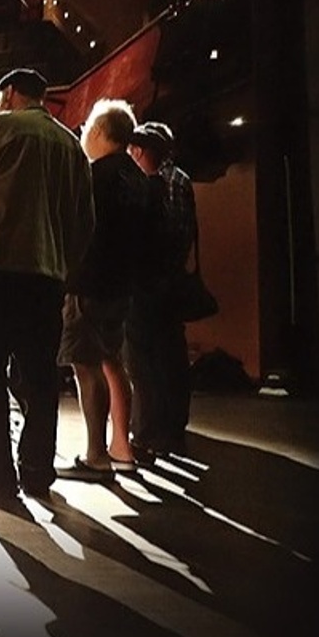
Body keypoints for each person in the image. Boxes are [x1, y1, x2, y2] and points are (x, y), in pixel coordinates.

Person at [0, 68, 94, 504]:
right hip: (47, 277)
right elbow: (86, 222)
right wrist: (66, 267)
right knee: (42, 377)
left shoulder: (2, 125)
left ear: (8, 93)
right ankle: (37, 471)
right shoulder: (71, 145)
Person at [56, 99, 152, 482]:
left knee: (86, 364)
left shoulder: (95, 177)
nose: (82, 136)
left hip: (90, 284)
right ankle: (121, 449)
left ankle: (95, 456)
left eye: (85, 130)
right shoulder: (137, 178)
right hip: (122, 286)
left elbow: (77, 230)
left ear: (98, 132)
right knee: (114, 363)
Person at [124, 121, 197, 461]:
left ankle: (147, 432)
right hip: (172, 280)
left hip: (149, 282)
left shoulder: (152, 183)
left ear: (140, 150)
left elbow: (155, 233)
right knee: (171, 355)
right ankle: (173, 426)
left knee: (143, 360)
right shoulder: (182, 179)